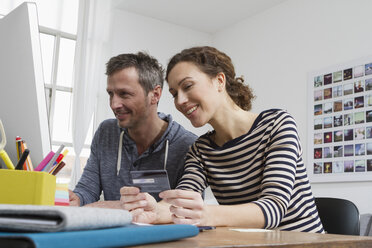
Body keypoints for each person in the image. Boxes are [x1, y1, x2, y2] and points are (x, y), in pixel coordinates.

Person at [120, 46, 324, 233]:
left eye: (188, 86)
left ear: (219, 81)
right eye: (174, 94)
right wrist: (155, 210)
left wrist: (206, 214)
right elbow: (181, 202)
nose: (180, 101)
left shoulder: (277, 124)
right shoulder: (200, 150)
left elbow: (273, 209)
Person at [69, 52, 197, 208]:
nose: (114, 104)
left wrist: (112, 206)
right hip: (112, 231)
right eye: (111, 94)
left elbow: (186, 210)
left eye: (124, 94)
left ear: (155, 95)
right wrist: (77, 199)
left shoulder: (188, 145)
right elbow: (87, 190)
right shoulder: (106, 132)